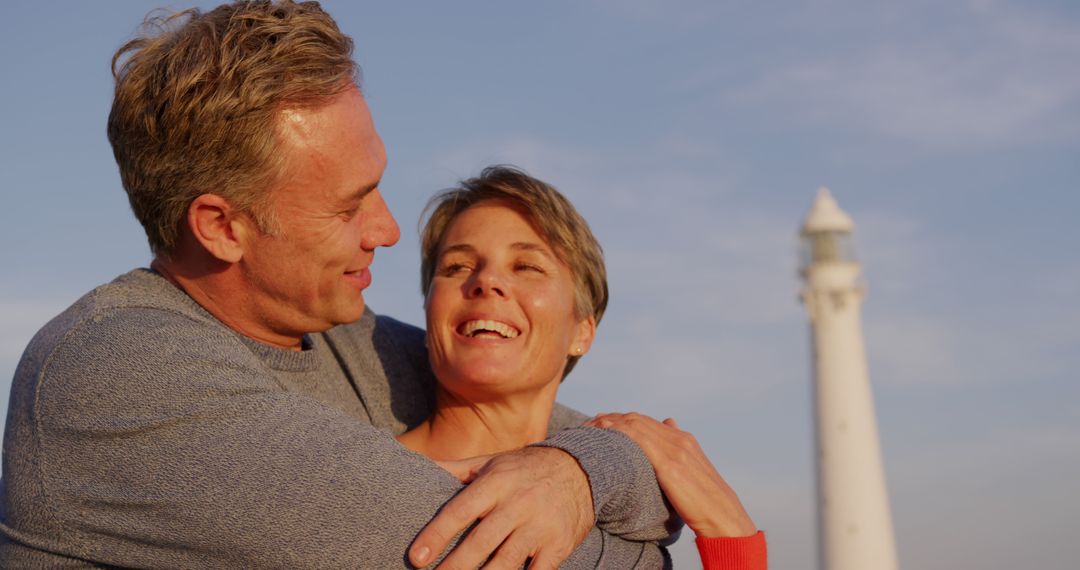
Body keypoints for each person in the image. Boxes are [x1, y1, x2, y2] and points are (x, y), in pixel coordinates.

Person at [0, 2, 676, 568]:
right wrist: (628, 510)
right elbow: (489, 552)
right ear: (222, 227)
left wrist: (581, 471)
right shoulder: (118, 374)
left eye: (377, 187)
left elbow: (614, 443)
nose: (388, 230)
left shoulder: (361, 346)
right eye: (348, 206)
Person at [399, 166, 768, 569]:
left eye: (526, 266)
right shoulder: (365, 474)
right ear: (428, 315)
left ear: (582, 331)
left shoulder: (621, 545)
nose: (486, 281)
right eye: (457, 267)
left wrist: (729, 531)